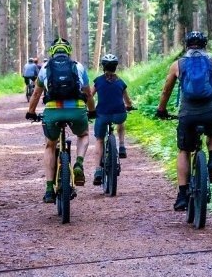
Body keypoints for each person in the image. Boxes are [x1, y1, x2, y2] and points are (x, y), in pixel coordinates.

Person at [155, 31, 212, 211]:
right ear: (205, 45)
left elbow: (166, 91)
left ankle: (182, 195)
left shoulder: (178, 65)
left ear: (187, 45)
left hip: (188, 114)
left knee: (184, 150)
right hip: (210, 111)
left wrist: (161, 110)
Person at [26, 38, 96, 203]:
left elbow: (36, 94)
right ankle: (78, 163)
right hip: (76, 110)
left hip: (53, 112)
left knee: (50, 145)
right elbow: (88, 93)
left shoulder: (45, 68)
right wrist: (92, 111)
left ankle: (49, 189)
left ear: (52, 52)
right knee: (83, 134)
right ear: (68, 51)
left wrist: (31, 112)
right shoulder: (78, 66)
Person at [90, 54, 134, 186]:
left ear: (103, 67)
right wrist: (129, 106)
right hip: (119, 114)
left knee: (99, 140)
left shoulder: (98, 81)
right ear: (116, 67)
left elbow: (90, 96)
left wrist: (90, 109)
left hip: (102, 115)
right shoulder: (121, 82)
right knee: (121, 119)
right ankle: (122, 145)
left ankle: (98, 170)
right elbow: (127, 100)